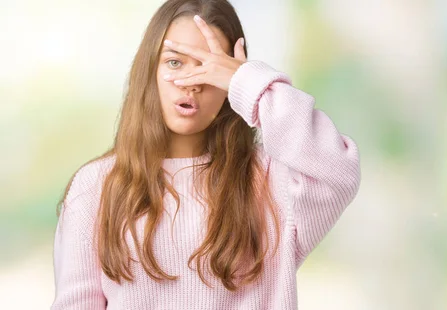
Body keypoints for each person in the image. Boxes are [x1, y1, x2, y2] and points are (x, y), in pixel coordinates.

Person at [51, 0, 360, 309]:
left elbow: (338, 169)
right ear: (149, 71)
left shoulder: (273, 183)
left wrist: (249, 81)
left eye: (210, 68)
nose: (192, 83)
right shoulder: (96, 186)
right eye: (175, 63)